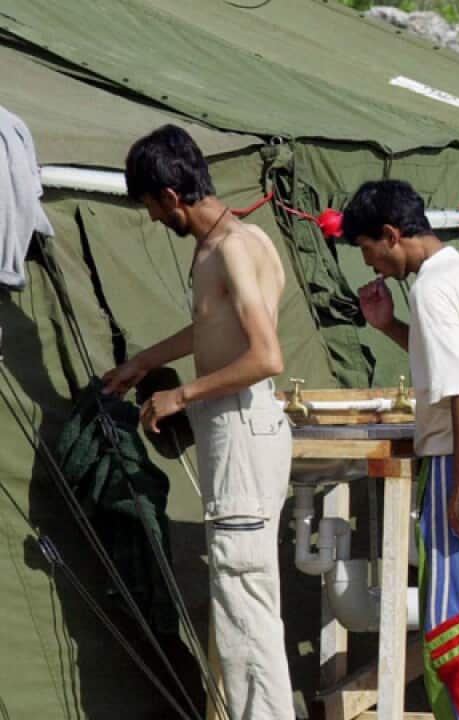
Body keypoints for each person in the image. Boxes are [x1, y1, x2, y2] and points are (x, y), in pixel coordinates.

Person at [103, 124, 294, 719]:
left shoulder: (230, 249)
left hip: (239, 426)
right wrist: (144, 363)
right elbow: (215, 328)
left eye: (153, 208)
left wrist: (180, 396)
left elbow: (266, 355)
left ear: (169, 195)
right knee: (246, 598)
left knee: (244, 603)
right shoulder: (249, 238)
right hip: (248, 427)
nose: (157, 220)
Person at [345, 180, 459, 720]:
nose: (373, 264)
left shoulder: (430, 286)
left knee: (451, 627)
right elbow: (455, 362)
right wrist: (388, 327)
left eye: (368, 250)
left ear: (390, 235)